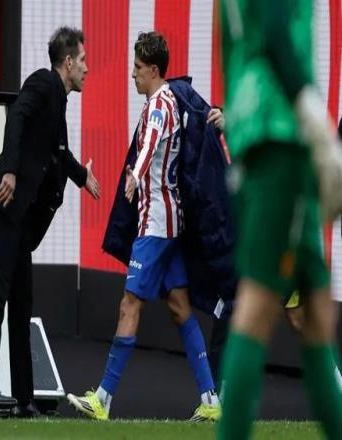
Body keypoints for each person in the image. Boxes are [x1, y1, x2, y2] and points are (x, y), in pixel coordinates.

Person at [67, 32, 221, 422]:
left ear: (153, 70)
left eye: (137, 68)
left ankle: (103, 399)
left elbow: (150, 141)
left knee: (129, 304)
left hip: (156, 225)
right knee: (180, 307)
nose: (132, 74)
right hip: (172, 222)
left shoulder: (158, 105)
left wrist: (134, 174)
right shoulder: (171, 100)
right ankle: (211, 400)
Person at [218, 1, 342, 438]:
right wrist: (316, 123)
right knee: (258, 303)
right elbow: (274, 29)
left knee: (317, 313)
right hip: (281, 136)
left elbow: (233, 46)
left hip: (265, 138)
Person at [0, 26, 100, 417]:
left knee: (21, 304)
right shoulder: (43, 83)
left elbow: (57, 151)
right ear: (68, 62)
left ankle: (24, 399)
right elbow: (16, 118)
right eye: (84, 61)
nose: (87, 69)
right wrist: (10, 170)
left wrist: (82, 176)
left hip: (22, 219)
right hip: (8, 206)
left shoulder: (58, 98)